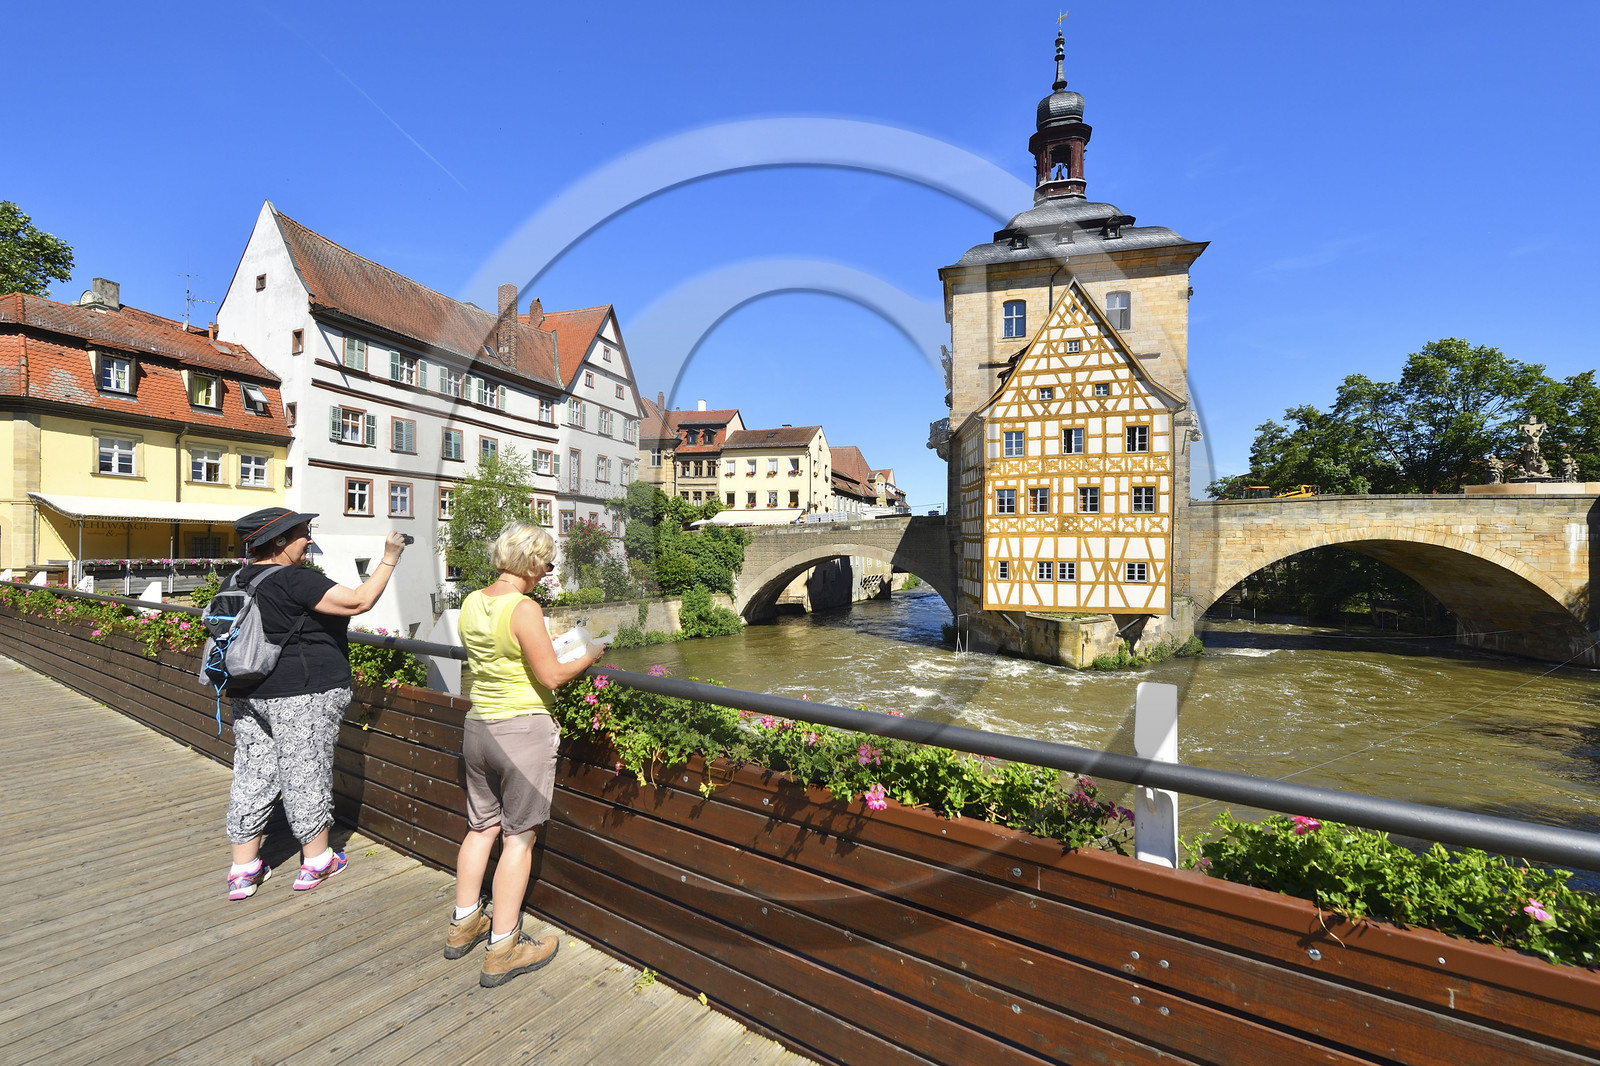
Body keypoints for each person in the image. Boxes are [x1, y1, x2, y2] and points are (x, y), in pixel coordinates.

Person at [446, 521, 603, 988]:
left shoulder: (473, 601)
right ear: (533, 564)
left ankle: (463, 923)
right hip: (521, 733)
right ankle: (503, 947)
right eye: (548, 564)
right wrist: (591, 653)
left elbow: (498, 658)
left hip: (478, 727)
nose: (548, 572)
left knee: (480, 828)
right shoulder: (524, 607)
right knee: (518, 838)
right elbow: (552, 677)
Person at [223, 506, 406, 901]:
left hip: (248, 691)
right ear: (279, 541)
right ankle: (318, 860)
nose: (310, 538)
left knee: (253, 772)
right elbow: (358, 602)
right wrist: (389, 558)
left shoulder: (237, 578)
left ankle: (243, 868)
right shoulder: (294, 579)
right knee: (305, 770)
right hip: (302, 691)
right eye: (303, 533)